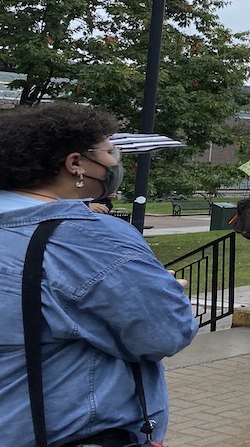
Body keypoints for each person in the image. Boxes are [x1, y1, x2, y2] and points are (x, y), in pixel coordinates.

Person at [0, 103, 197, 446]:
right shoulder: (93, 239)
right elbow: (164, 333)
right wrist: (167, 290)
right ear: (75, 163)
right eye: (110, 152)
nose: (116, 162)